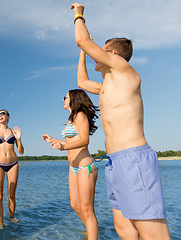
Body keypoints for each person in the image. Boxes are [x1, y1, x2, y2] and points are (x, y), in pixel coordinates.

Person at [70, 3, 171, 239]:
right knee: (123, 228)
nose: (99, 54)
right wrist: (84, 52)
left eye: (102, 51)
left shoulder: (125, 70)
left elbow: (82, 40)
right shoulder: (107, 86)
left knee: (153, 233)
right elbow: (82, 82)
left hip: (134, 158)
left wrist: (78, 15)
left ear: (112, 55)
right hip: (115, 162)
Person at [43, 89, 99, 239]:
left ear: (74, 98)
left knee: (87, 209)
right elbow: (70, 142)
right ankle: (91, 232)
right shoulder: (71, 117)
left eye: (65, 97)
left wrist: (64, 147)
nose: (63, 100)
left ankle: (92, 234)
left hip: (84, 166)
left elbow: (85, 140)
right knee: (75, 205)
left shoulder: (80, 115)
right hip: (73, 167)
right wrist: (54, 140)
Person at [0, 110, 24, 229]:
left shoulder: (13, 132)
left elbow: (21, 151)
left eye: (3, 113)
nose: (0, 115)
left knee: (11, 194)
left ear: (8, 117)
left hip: (13, 164)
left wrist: (19, 139)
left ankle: (12, 217)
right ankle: (1, 221)